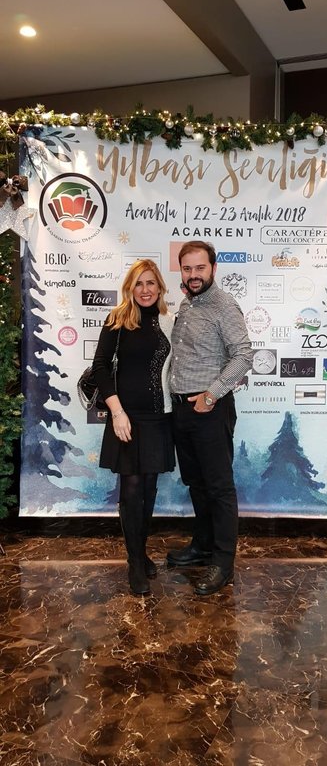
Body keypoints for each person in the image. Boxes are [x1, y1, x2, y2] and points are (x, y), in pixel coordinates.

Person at [167, 241, 252, 596]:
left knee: (218, 488)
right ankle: (202, 546)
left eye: (200, 268)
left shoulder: (224, 305)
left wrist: (211, 394)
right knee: (196, 483)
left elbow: (243, 356)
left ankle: (222, 562)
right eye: (187, 268)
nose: (193, 274)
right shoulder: (187, 304)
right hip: (182, 410)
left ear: (213, 269)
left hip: (210, 410)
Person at [93, 259, 175, 596]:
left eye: (151, 283)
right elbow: (100, 367)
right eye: (139, 283)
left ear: (160, 287)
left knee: (149, 489)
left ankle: (141, 552)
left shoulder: (169, 321)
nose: (145, 289)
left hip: (159, 417)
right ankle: (134, 563)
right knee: (130, 490)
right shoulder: (117, 319)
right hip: (126, 416)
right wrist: (117, 412)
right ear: (129, 288)